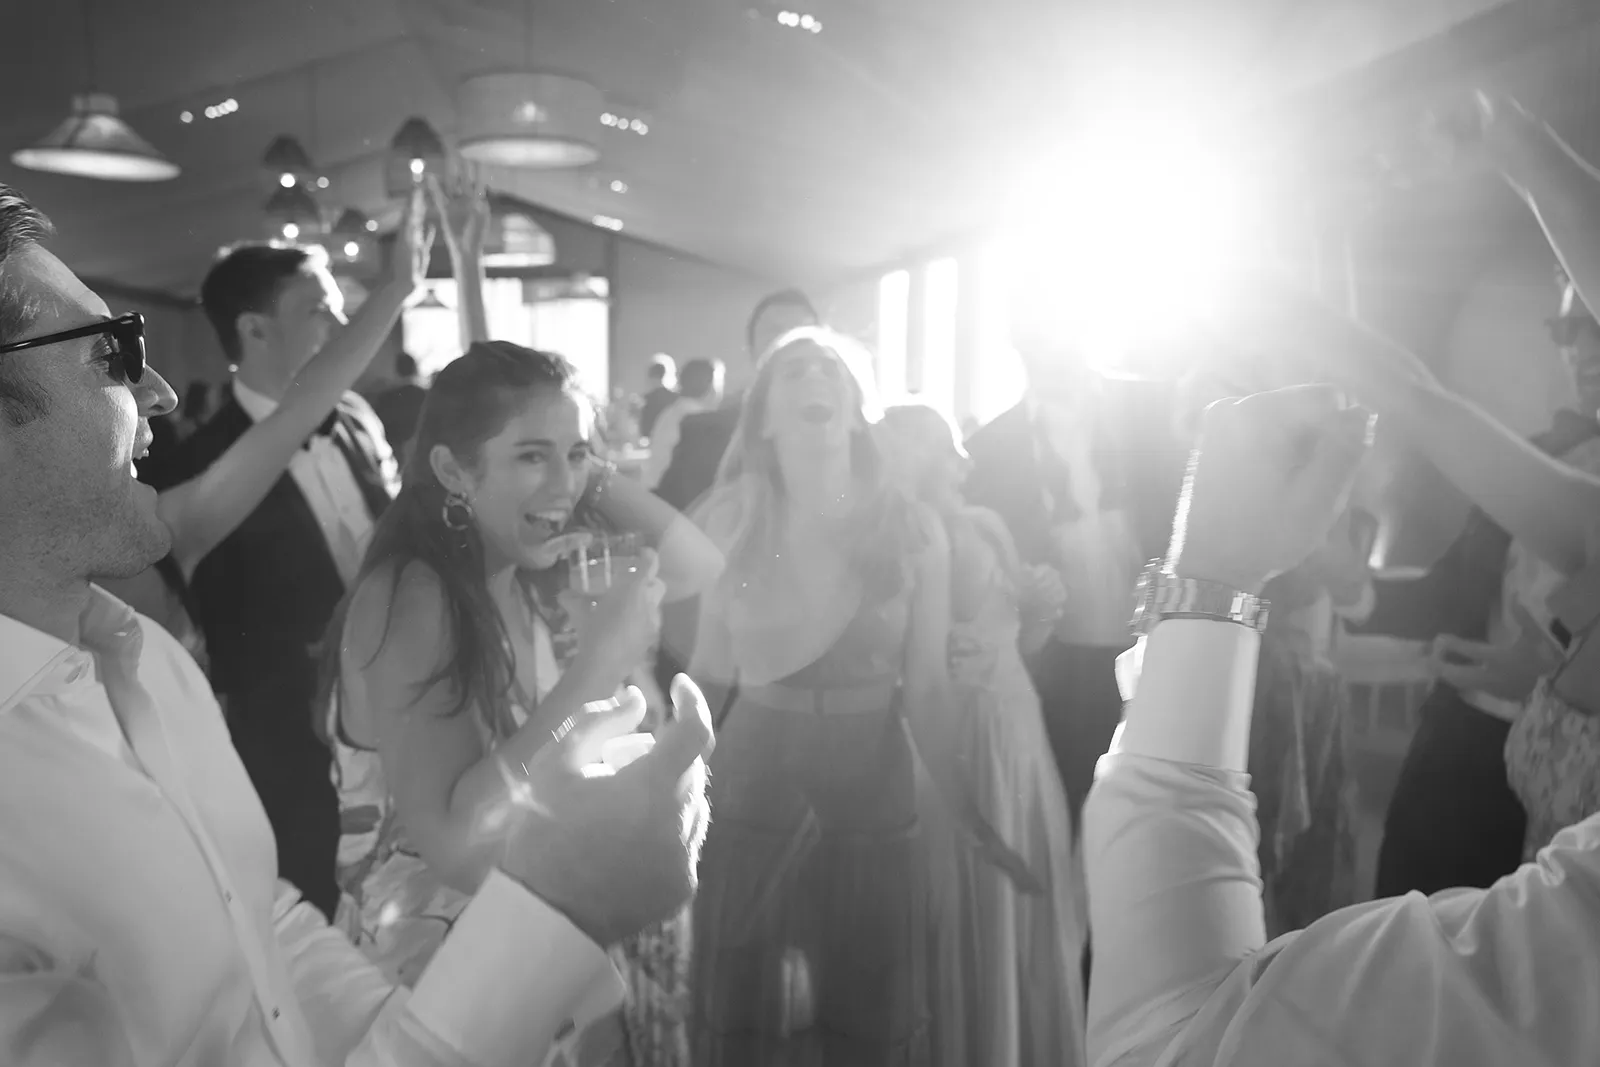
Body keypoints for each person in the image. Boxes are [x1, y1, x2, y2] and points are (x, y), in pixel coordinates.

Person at [0, 180, 714, 1066]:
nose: (156, 390)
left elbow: (261, 922)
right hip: (337, 788)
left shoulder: (151, 669)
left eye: (573, 453)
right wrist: (564, 901)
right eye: (110, 350)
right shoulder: (389, 587)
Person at [1086, 378, 1600, 1066]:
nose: (1579, 343)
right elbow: (1435, 581)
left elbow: (1174, 1036)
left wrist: (1210, 575)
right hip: (1455, 788)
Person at [327, 340, 725, 1067]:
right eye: (531, 455)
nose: (567, 482)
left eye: (578, 455)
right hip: (432, 989)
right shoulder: (414, 593)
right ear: (451, 470)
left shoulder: (517, 570)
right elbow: (451, 845)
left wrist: (565, 471)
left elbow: (702, 563)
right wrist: (596, 665)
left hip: (521, 950)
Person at [687, 328, 974, 1065]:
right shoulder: (729, 523)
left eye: (831, 370)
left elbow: (930, 687)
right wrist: (664, 788)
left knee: (873, 1004)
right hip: (753, 778)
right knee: (742, 1002)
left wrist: (968, 809)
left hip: (870, 781)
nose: (814, 376)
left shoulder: (913, 530)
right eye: (792, 371)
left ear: (855, 410)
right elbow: (708, 677)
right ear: (765, 419)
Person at [149, 237, 413, 919]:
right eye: (320, 307)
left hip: (402, 696)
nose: (337, 320)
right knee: (319, 908)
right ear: (255, 328)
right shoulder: (197, 467)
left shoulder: (355, 418)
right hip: (293, 741)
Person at [1371, 263, 1600, 896]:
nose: (1580, 347)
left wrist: (1547, 688)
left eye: (1595, 323)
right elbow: (1449, 590)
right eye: (1567, 328)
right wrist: (1354, 593)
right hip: (1460, 746)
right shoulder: (1538, 457)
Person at [878, 403, 1086, 1067]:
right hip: (952, 745)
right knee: (965, 915)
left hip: (1018, 736)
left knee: (1026, 912)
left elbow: (1021, 643)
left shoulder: (987, 526)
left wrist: (1043, 607)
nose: (964, 462)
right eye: (945, 449)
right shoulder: (897, 547)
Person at [964, 306, 1188, 823]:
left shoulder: (1152, 406)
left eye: (1063, 327)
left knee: (1159, 818)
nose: (1054, 346)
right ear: (1017, 342)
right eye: (1038, 333)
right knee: (1070, 814)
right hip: (1059, 668)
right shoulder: (990, 449)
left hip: (1160, 650)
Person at [653, 289, 818, 515]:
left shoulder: (851, 436)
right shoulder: (702, 434)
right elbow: (669, 516)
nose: (789, 347)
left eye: (802, 336)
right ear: (751, 351)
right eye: (775, 335)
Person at [644, 358, 723, 491]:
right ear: (711, 386)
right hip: (675, 499)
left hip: (657, 493)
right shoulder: (698, 420)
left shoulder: (673, 412)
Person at [371, 350, 428, 465]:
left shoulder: (385, 398)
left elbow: (377, 429)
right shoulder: (426, 396)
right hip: (421, 456)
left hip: (393, 458)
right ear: (415, 369)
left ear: (396, 370)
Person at [638, 355, 678, 441]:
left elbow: (644, 427)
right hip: (671, 439)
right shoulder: (674, 397)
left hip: (652, 439)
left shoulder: (647, 399)